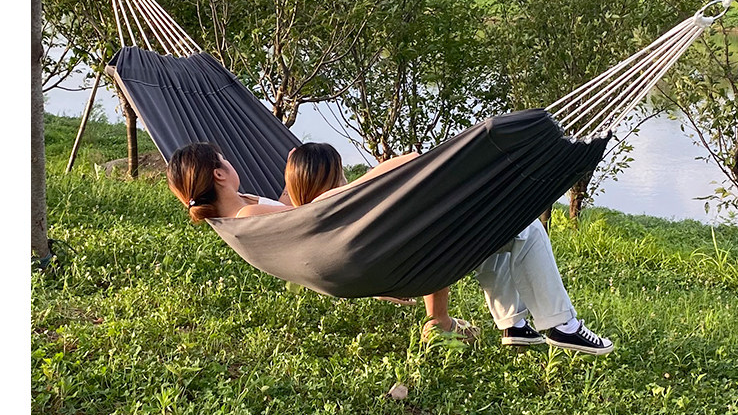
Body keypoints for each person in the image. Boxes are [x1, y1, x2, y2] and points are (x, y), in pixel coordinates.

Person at [166, 140, 612, 357]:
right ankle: (561, 324)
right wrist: (383, 175)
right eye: (224, 161)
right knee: (524, 226)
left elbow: (299, 216)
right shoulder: (248, 216)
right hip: (361, 252)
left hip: (353, 255)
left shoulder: (241, 214)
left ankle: (514, 325)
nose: (231, 162)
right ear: (219, 175)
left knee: (495, 238)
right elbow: (311, 219)